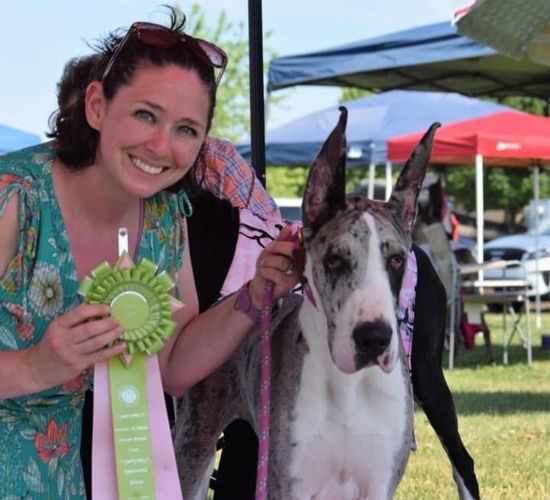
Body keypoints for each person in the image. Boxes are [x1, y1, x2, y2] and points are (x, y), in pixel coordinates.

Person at [0, 8, 298, 498]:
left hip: (58, 482)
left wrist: (253, 296)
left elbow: (172, 366)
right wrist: (36, 366)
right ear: (96, 106)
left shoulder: (164, 220)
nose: (163, 145)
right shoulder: (16, 196)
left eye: (187, 129)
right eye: (145, 114)